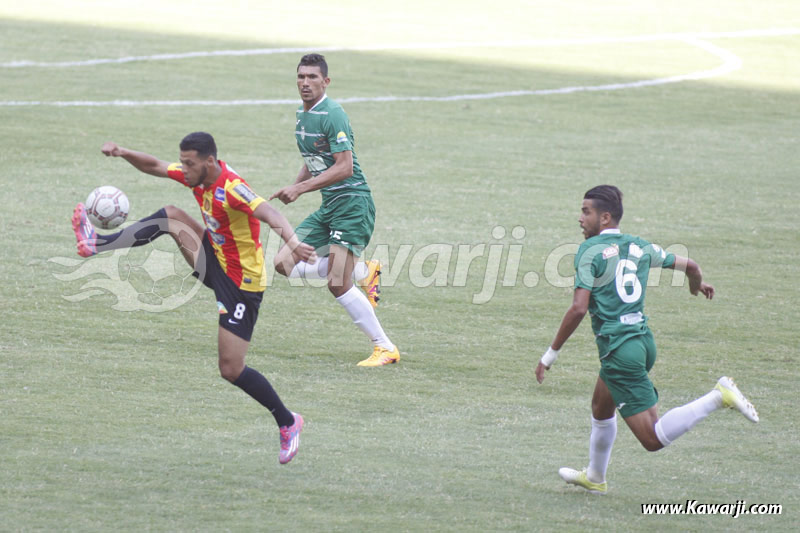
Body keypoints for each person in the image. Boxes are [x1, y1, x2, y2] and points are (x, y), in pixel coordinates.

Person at [71, 132, 316, 464]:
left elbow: (270, 213)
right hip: (215, 260)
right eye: (182, 162)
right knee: (171, 215)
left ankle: (288, 421)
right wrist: (122, 151)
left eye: (188, 163)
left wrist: (293, 242)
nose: (182, 169)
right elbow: (155, 165)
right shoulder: (197, 177)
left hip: (241, 284)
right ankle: (95, 243)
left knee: (230, 368)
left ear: (209, 162)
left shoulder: (232, 187)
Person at [536, 185, 758, 494]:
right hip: (641, 343)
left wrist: (550, 354)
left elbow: (579, 308)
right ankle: (595, 477)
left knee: (653, 438)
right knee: (602, 407)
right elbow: (691, 266)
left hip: (619, 352)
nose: (579, 218)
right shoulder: (638, 246)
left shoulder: (589, 252)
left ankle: (718, 396)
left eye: (585, 211)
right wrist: (696, 285)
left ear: (605, 217)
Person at [270, 53, 400, 367]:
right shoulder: (303, 115)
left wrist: (300, 189)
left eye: (312, 77)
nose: (305, 83)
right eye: (301, 77)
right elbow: (314, 156)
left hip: (353, 205)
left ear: (326, 81)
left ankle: (385, 347)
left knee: (337, 283)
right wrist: (296, 185)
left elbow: (344, 167)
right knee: (283, 263)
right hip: (330, 207)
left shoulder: (333, 113)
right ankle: (363, 271)